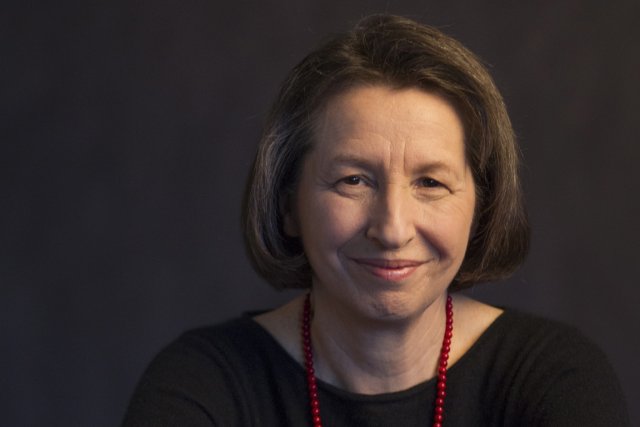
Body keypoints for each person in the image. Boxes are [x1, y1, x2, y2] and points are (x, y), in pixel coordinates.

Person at [122, 14, 629, 426]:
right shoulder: (201, 383)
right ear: (287, 205)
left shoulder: (554, 379)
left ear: (481, 208)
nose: (392, 229)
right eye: (353, 180)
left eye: (430, 182)